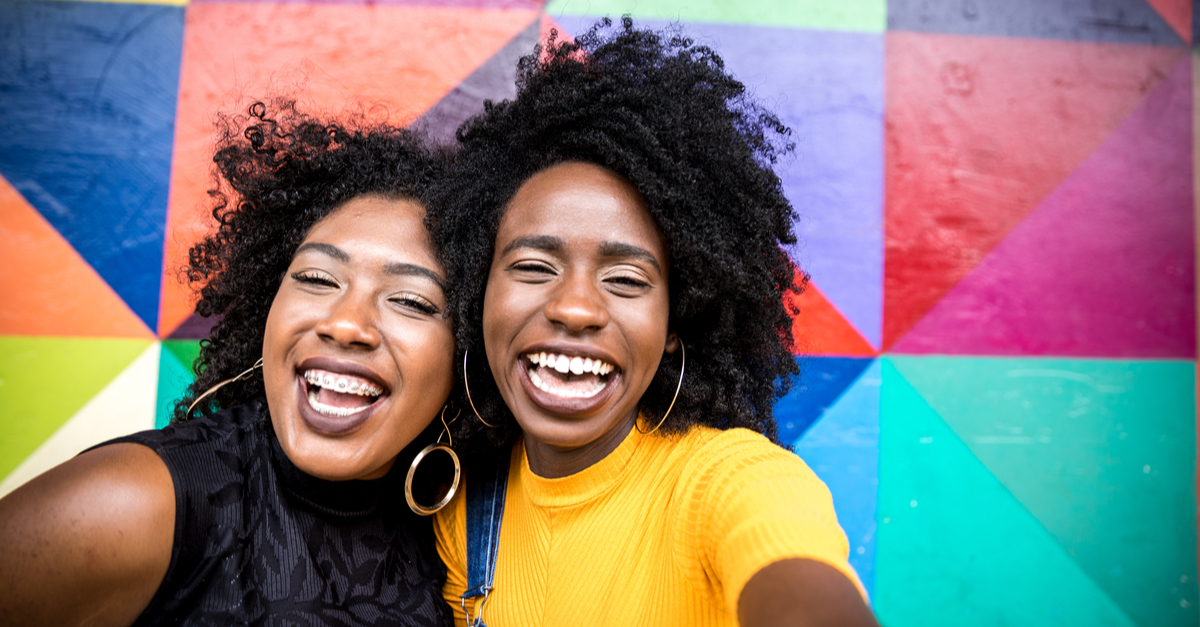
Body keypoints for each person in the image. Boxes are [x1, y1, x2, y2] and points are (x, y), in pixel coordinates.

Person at [430, 19, 879, 627]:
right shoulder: (464, 513)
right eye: (535, 266)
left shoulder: (728, 482)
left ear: (676, 320)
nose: (575, 308)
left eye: (626, 281)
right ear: (479, 290)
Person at [0, 102, 459, 626]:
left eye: (412, 302)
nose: (346, 324)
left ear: (467, 345)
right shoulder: (133, 503)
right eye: (316, 279)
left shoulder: (464, 529)